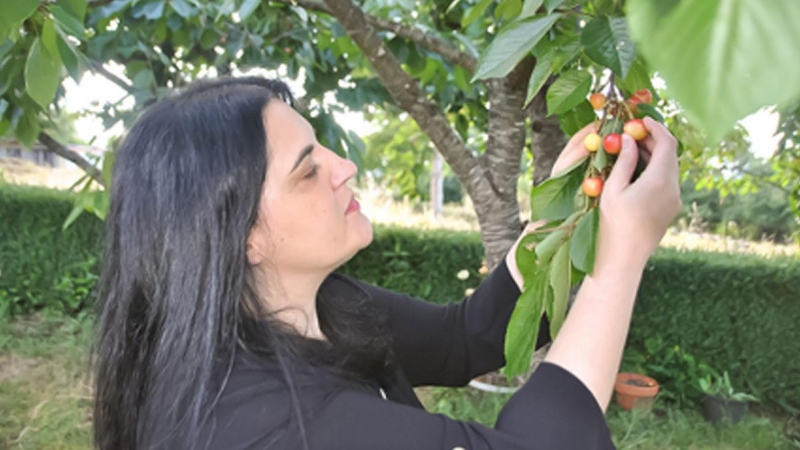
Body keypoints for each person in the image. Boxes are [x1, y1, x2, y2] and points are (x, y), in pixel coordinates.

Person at [92, 77, 681, 450]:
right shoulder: (262, 424)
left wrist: (556, 219)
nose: (342, 165)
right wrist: (620, 260)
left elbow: (467, 337)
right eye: (307, 170)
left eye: (321, 145)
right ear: (240, 238)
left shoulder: (325, 304)